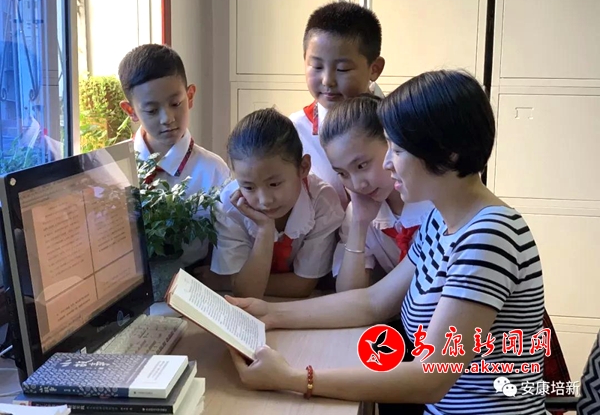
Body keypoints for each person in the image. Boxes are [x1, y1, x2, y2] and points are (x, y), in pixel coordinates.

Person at [226, 70, 546, 414]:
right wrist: (269, 313)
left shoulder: (488, 236)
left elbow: (431, 378)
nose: (389, 164)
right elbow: (374, 301)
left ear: (449, 154)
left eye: (398, 149)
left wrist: (295, 378)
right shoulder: (443, 220)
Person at [210, 108, 344, 299]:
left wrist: (225, 282)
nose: (265, 200)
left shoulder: (322, 202)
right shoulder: (228, 205)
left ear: (303, 167)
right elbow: (246, 292)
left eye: (274, 184)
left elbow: (302, 286)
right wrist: (265, 230)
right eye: (248, 187)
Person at [118, 44, 230, 264]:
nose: (167, 118)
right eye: (151, 110)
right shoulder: (112, 167)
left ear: (190, 96)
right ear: (131, 111)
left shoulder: (214, 172)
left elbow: (227, 247)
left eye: (175, 103)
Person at [319, 94, 434, 293]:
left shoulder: (437, 201)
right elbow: (349, 295)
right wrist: (359, 224)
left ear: (392, 144)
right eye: (343, 173)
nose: (358, 184)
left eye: (362, 165)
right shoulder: (360, 210)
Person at [290, 1, 386, 208]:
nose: (327, 81)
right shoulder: (293, 133)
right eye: (316, 66)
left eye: (343, 69)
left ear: (374, 69)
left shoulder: (399, 126)